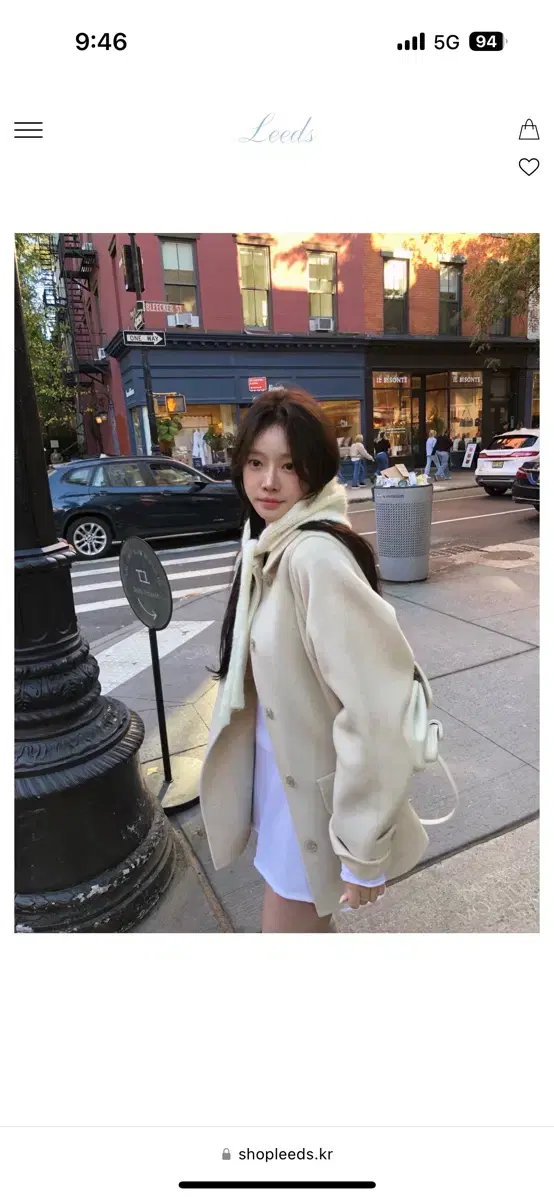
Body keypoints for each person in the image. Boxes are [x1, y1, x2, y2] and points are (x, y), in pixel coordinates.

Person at [199, 387, 429, 933]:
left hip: (312, 800)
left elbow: (376, 709)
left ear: (316, 470)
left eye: (288, 465)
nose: (268, 481)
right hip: (283, 781)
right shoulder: (267, 541)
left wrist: (363, 848)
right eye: (256, 463)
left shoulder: (314, 555)